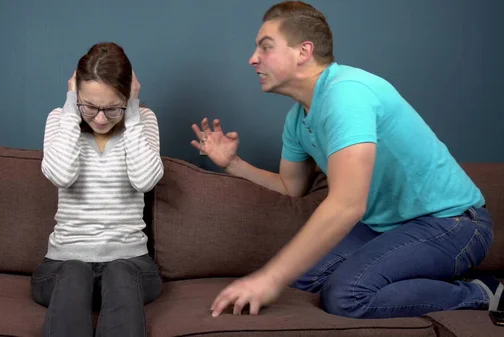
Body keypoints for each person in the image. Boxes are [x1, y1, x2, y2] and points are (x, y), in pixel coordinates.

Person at [191, 1, 502, 319]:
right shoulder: (297, 119)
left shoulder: (347, 95)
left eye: (265, 47)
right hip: (386, 227)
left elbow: (348, 204)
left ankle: (482, 292)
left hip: (452, 223)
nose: (253, 58)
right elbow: (290, 187)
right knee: (302, 278)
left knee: (345, 296)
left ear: (303, 51)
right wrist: (233, 164)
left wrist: (269, 278)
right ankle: (418, 269)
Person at [32, 42, 164, 337]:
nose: (101, 118)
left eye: (113, 108)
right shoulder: (60, 119)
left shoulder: (143, 121)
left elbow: (145, 180)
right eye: (90, 106)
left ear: (128, 98)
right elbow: (61, 175)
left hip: (131, 265)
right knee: (75, 270)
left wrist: (131, 115)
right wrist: (70, 110)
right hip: (62, 265)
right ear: (75, 95)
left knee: (119, 270)